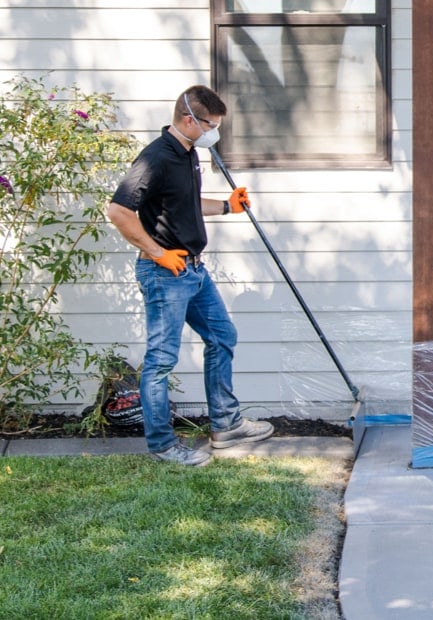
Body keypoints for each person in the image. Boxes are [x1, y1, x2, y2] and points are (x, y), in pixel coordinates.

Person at [107, 85, 274, 466]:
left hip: (193, 270)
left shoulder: (187, 155)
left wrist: (228, 207)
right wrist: (158, 253)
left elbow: (185, 204)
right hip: (165, 273)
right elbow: (119, 211)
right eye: (211, 125)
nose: (214, 133)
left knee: (222, 336)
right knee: (161, 360)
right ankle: (163, 446)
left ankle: (226, 425)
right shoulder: (156, 158)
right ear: (189, 120)